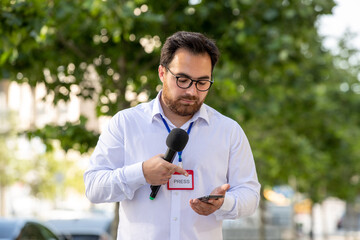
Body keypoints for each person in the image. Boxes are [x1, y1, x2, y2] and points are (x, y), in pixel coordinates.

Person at [84, 31, 260, 240]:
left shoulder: (228, 131)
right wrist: (141, 173)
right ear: (162, 73)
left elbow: (250, 195)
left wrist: (224, 203)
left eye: (202, 82)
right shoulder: (126, 123)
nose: (192, 92)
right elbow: (94, 187)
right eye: (183, 79)